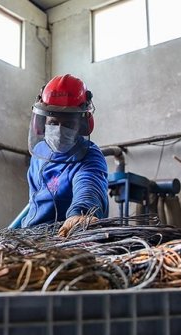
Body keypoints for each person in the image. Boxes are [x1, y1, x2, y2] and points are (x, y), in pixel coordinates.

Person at [22, 74, 109, 237]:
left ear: (82, 125)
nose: (60, 130)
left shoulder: (90, 157)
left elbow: (89, 185)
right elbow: (35, 200)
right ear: (41, 123)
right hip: (30, 235)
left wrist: (80, 213)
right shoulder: (39, 152)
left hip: (65, 236)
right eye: (53, 122)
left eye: (68, 124)